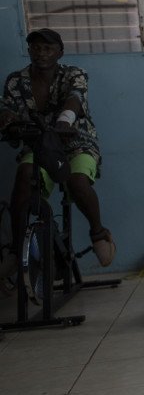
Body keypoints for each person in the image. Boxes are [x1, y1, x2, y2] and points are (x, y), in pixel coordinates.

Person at [0, 28, 114, 274]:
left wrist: (64, 121)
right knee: (23, 180)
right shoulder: (15, 81)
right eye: (36, 48)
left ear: (59, 53)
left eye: (48, 48)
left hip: (76, 141)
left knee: (77, 180)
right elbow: (7, 108)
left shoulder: (74, 74)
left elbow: (75, 97)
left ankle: (98, 233)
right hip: (39, 143)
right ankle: (16, 251)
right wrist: (7, 118)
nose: (41, 53)